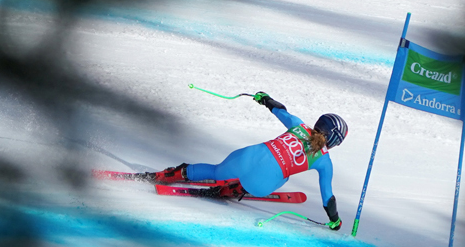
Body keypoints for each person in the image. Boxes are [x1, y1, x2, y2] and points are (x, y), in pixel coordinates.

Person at [143, 92, 347, 230]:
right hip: (260, 185)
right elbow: (328, 199)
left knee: (215, 171)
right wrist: (335, 221)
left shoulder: (298, 125)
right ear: (335, 140)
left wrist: (263, 97)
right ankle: (233, 189)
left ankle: (171, 174)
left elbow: (278, 108)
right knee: (284, 176)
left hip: (243, 158)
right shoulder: (324, 162)